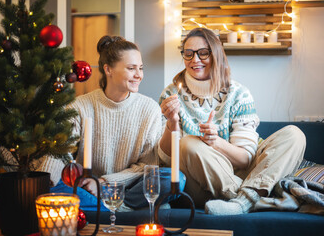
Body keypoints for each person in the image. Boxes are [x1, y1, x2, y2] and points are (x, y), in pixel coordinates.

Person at [158, 28, 306, 215]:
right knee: (188, 144)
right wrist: (171, 125)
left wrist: (215, 142)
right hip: (201, 182)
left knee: (294, 134)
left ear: (217, 54)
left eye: (203, 53)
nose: (195, 60)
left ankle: (243, 201)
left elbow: (245, 159)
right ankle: (255, 195)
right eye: (188, 54)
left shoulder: (239, 94)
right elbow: (165, 160)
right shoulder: (170, 94)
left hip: (243, 171)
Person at [39, 35, 185, 211]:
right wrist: (46, 183)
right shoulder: (80, 106)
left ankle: (110, 208)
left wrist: (104, 183)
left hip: (127, 187)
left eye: (141, 68)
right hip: (88, 189)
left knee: (173, 178)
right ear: (108, 70)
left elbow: (147, 167)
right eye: (131, 68)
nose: (139, 75)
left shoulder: (149, 109)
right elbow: (59, 153)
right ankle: (115, 209)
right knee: (53, 187)